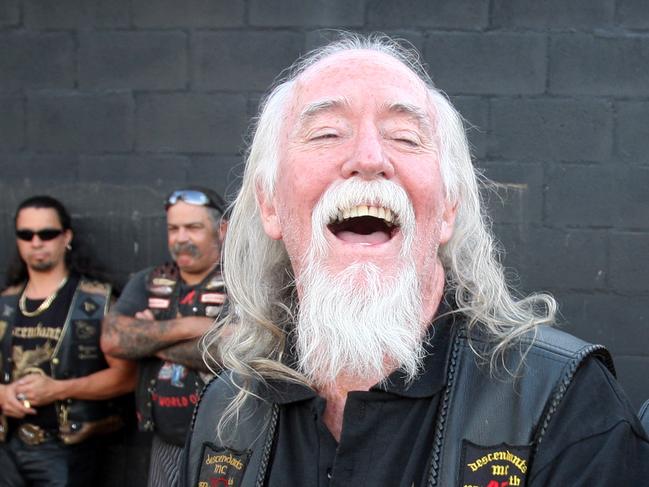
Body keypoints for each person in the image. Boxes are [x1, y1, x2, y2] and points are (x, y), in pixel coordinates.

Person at [180, 34, 649, 486]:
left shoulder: (562, 403)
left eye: (405, 137)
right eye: (326, 132)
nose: (368, 157)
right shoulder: (226, 415)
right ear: (270, 205)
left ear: (447, 208)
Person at [0, 195, 136, 486]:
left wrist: (58, 389)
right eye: (26, 234)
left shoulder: (96, 301)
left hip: (69, 449)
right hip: (7, 446)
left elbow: (127, 377)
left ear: (66, 237)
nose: (36, 242)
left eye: (47, 233)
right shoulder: (6, 302)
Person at [101, 187, 228, 487]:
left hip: (228, 439)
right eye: (173, 228)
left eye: (193, 227)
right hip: (165, 441)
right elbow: (112, 339)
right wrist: (191, 327)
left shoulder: (241, 281)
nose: (181, 238)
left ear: (222, 229)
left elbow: (234, 350)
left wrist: (148, 340)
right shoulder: (148, 280)